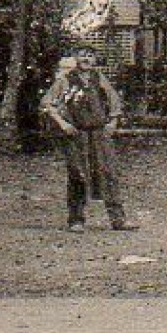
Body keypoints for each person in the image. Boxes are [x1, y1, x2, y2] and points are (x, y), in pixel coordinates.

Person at [42, 46, 138, 234]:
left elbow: (114, 102)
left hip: (99, 134)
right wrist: (63, 124)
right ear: (76, 58)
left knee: (108, 173)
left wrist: (113, 122)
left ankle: (117, 219)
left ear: (95, 59)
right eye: (82, 55)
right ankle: (76, 219)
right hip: (77, 135)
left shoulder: (99, 79)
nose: (86, 59)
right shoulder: (65, 80)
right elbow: (47, 104)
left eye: (90, 56)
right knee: (78, 173)